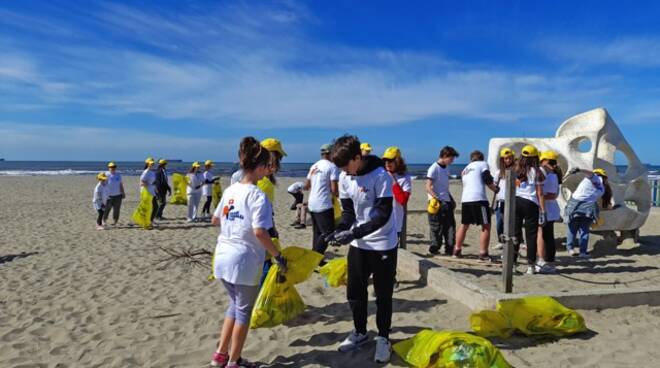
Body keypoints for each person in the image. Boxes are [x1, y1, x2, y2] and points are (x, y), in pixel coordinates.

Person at [209, 136, 288, 368]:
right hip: (243, 260)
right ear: (262, 167)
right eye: (268, 166)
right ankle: (233, 361)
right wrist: (277, 255)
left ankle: (220, 356)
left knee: (234, 306)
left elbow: (215, 219)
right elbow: (260, 232)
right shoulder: (257, 195)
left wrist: (233, 224)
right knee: (243, 312)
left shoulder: (231, 189)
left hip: (222, 256)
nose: (269, 171)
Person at [326, 135, 397, 364]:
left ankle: (384, 339)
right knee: (355, 292)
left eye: (347, 165)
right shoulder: (344, 176)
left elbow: (382, 215)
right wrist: (340, 230)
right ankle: (360, 332)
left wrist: (354, 233)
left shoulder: (381, 176)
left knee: (383, 294)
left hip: (382, 243)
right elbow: (349, 214)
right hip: (359, 244)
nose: (343, 171)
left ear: (358, 157)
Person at [454, 151, 499, 260]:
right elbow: (487, 178)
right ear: (481, 158)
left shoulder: (465, 169)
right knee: (486, 225)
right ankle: (483, 253)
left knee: (464, 225)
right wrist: (495, 189)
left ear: (471, 159)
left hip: (465, 200)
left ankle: (456, 250)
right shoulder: (483, 164)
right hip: (479, 199)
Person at [564, 168, 611, 259]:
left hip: (577, 204)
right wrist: (580, 170)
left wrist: (579, 170)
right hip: (585, 206)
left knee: (572, 228)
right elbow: (590, 174)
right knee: (584, 230)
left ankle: (571, 249)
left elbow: (590, 174)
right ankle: (582, 252)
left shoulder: (598, 183)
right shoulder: (600, 183)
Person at [513, 145, 546, 274]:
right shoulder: (537, 172)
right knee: (531, 236)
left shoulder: (516, 169)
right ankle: (531, 266)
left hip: (516, 201)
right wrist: (543, 211)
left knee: (514, 234)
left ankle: (513, 264)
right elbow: (540, 193)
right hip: (530, 203)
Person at [304, 144, 340, 259]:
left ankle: (317, 260)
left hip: (312, 202)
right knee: (328, 233)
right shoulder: (332, 166)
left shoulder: (314, 166)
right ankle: (313, 258)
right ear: (331, 153)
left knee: (317, 232)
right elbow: (334, 190)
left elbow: (306, 185)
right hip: (323, 204)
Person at [426, 146, 460, 255]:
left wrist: (451, 199)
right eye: (451, 158)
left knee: (450, 227)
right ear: (445, 156)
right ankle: (434, 249)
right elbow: (428, 186)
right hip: (436, 203)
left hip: (447, 201)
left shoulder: (447, 168)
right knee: (436, 227)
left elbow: (444, 187)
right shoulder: (434, 168)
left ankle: (449, 249)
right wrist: (436, 199)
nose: (452, 161)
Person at [536, 151, 562, 273]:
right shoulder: (550, 174)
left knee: (545, 235)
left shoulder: (550, 175)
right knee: (545, 235)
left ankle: (545, 261)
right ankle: (546, 260)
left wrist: (536, 196)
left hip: (547, 209)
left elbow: (551, 195)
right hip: (548, 208)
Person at [382, 146, 412, 246]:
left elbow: (403, 200)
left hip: (395, 222)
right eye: (385, 160)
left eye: (390, 160)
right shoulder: (381, 175)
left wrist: (394, 181)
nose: (387, 163)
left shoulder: (405, 178)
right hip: (380, 221)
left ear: (398, 161)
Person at [491, 148, 515, 250]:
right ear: (502, 160)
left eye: (510, 158)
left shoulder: (516, 171)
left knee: (512, 222)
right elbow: (494, 186)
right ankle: (501, 241)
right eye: (506, 158)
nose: (508, 160)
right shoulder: (498, 173)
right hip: (500, 200)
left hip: (513, 200)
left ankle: (516, 241)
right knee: (500, 222)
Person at [103, 162, 125, 226]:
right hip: (108, 195)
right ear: (108, 168)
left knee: (116, 210)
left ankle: (115, 221)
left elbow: (120, 184)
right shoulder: (106, 174)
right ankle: (104, 220)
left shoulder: (118, 174)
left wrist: (123, 192)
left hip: (118, 195)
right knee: (107, 209)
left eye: (114, 167)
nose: (112, 168)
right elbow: (103, 185)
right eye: (111, 167)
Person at [140, 157, 158, 226]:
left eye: (153, 163)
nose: (152, 164)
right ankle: (147, 221)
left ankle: (150, 221)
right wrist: (150, 184)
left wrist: (155, 188)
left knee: (155, 207)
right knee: (151, 207)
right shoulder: (146, 172)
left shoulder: (152, 171)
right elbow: (141, 183)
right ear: (147, 164)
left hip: (152, 192)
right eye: (151, 163)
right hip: (147, 193)